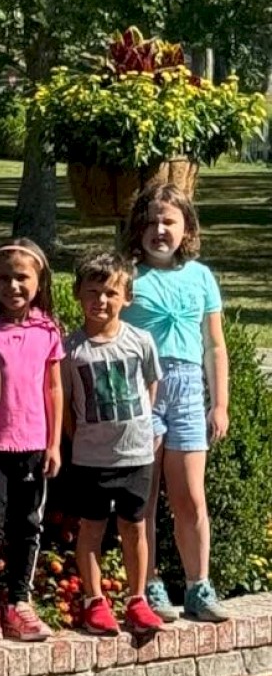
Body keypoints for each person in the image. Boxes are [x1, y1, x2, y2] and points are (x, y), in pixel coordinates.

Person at [127, 184, 230, 622]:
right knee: (144, 497)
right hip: (142, 389)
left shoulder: (201, 277)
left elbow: (215, 346)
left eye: (168, 221)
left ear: (186, 227)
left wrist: (219, 403)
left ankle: (198, 585)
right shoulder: (127, 276)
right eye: (150, 222)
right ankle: (148, 584)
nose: (159, 230)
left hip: (188, 390)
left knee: (189, 495)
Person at [61, 248, 165, 637]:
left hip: (136, 454)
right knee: (91, 528)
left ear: (126, 297)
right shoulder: (71, 351)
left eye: (110, 293)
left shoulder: (140, 341)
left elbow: (150, 388)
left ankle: (137, 598)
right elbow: (68, 407)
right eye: (92, 292)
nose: (101, 301)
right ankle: (94, 600)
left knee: (134, 526)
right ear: (78, 294)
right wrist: (80, 442)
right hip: (91, 457)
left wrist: (137, 432)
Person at [0, 237, 63, 643]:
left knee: (27, 524)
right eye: (4, 277)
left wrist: (54, 443)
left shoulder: (47, 329)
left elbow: (53, 388)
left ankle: (19, 601)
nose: (13, 286)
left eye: (22, 278)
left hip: (33, 444)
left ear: (39, 280)